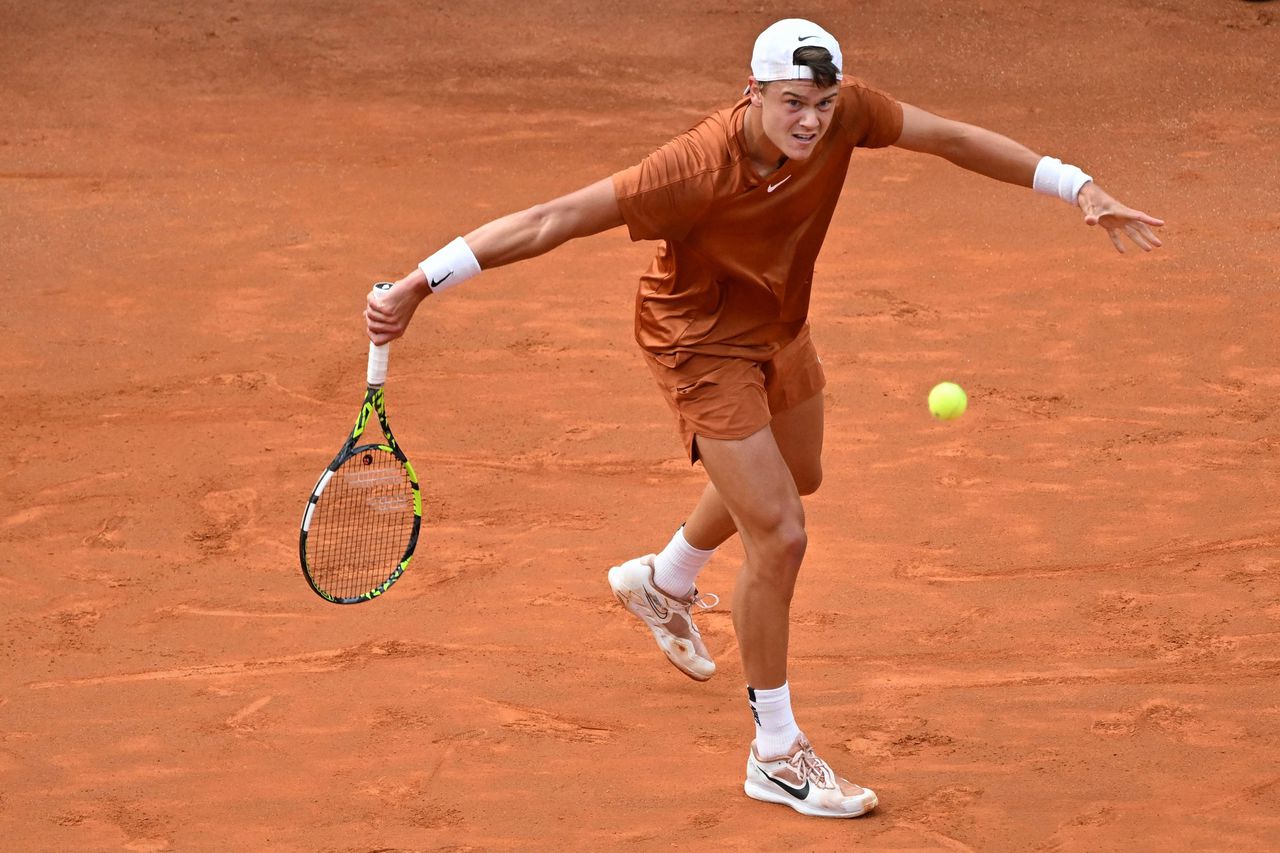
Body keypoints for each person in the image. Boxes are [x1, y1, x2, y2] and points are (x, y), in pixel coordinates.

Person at [365, 18, 1163, 819]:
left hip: (779, 327)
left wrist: (1077, 185)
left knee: (799, 475)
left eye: (821, 102)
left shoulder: (847, 113)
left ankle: (664, 578)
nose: (811, 120)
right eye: (792, 103)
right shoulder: (691, 169)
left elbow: (950, 138)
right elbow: (552, 218)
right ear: (753, 94)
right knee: (779, 532)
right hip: (699, 343)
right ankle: (776, 753)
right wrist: (416, 285)